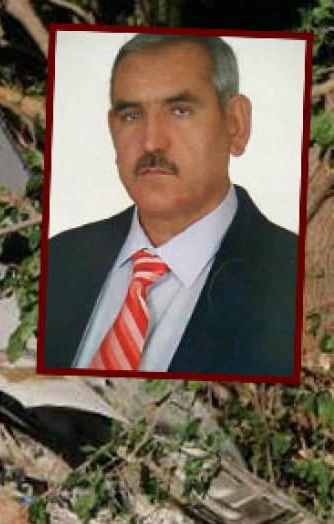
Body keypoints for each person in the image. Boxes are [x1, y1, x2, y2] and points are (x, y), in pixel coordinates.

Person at [41, 34, 298, 377]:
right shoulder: (59, 258)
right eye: (131, 115)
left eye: (180, 111)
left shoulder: (294, 279)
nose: (151, 142)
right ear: (111, 129)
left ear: (236, 124)